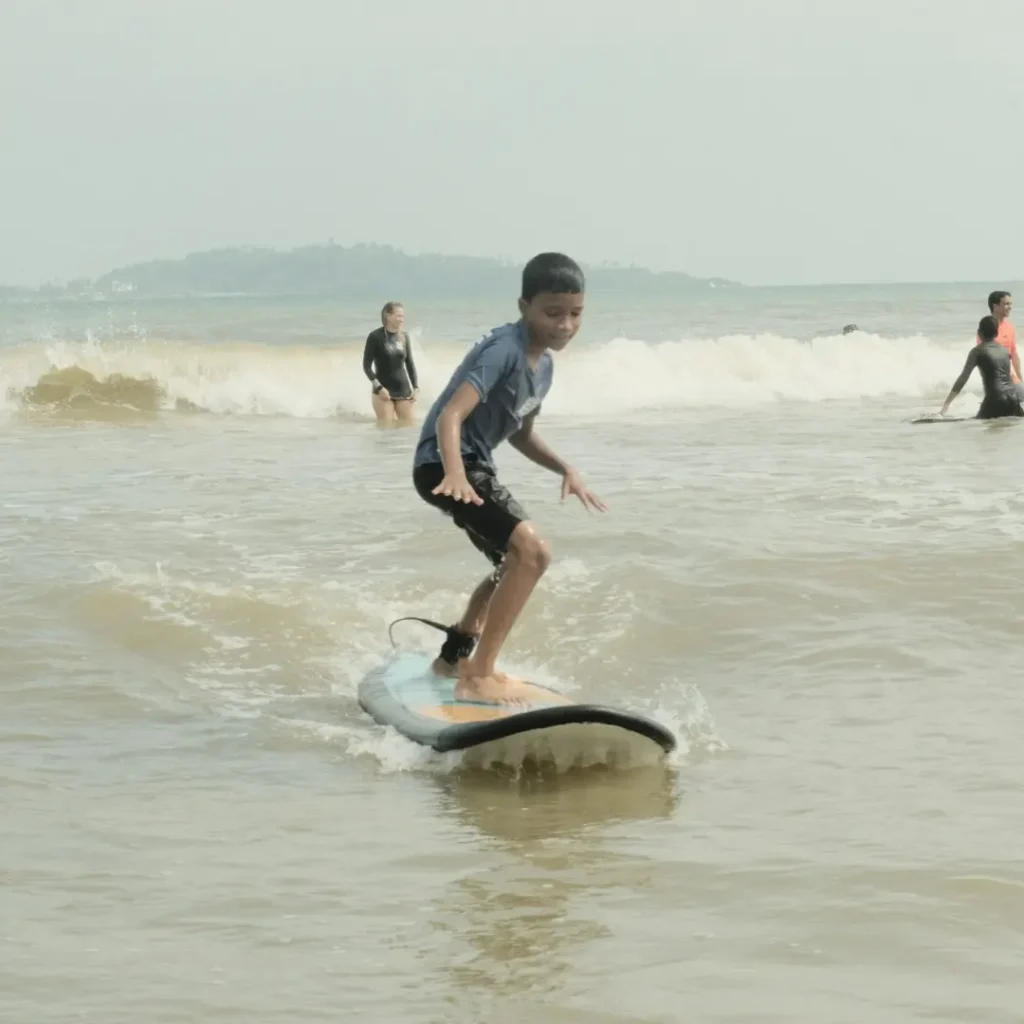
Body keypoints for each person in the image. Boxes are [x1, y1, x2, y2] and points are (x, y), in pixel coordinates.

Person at [411, 252, 607, 706]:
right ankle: (478, 675)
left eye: (575, 314)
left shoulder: (545, 367)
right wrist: (457, 474)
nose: (565, 325)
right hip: (443, 465)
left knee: (512, 563)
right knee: (533, 552)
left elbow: (520, 433)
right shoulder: (504, 351)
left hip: (470, 467)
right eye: (552, 313)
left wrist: (566, 469)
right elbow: (449, 417)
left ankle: (453, 658)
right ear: (525, 306)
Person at [940, 315, 1024, 420]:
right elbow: (1008, 378)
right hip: (1013, 399)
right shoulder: (1004, 351)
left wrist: (947, 403)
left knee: (974, 423)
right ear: (997, 333)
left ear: (979, 332)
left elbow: (963, 377)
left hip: (995, 399)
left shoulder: (977, 351)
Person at [363, 301, 419, 425]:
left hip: (404, 391)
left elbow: (409, 363)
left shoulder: (404, 337)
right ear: (388, 315)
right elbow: (366, 367)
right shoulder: (375, 337)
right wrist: (379, 388)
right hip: (383, 392)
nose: (401, 320)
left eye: (403, 316)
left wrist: (415, 387)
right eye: (398, 316)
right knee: (386, 430)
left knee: (408, 429)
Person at [976, 290, 1020, 383]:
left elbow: (1014, 355)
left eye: (1010, 304)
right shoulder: (985, 328)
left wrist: (1020, 379)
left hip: (1010, 378)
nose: (1010, 307)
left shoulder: (1010, 327)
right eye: (1006, 304)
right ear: (995, 306)